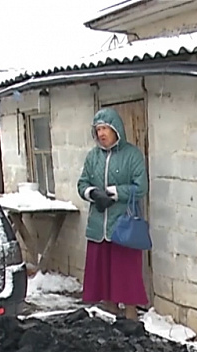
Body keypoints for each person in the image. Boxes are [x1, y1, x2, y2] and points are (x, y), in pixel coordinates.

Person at [76, 108, 149, 320]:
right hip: (99, 225)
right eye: (98, 129)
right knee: (104, 276)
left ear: (116, 129)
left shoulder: (132, 155)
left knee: (125, 275)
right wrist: (93, 193)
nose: (101, 134)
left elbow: (141, 187)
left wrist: (115, 193)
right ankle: (110, 312)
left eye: (105, 128)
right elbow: (82, 183)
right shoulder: (93, 157)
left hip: (123, 225)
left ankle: (131, 316)